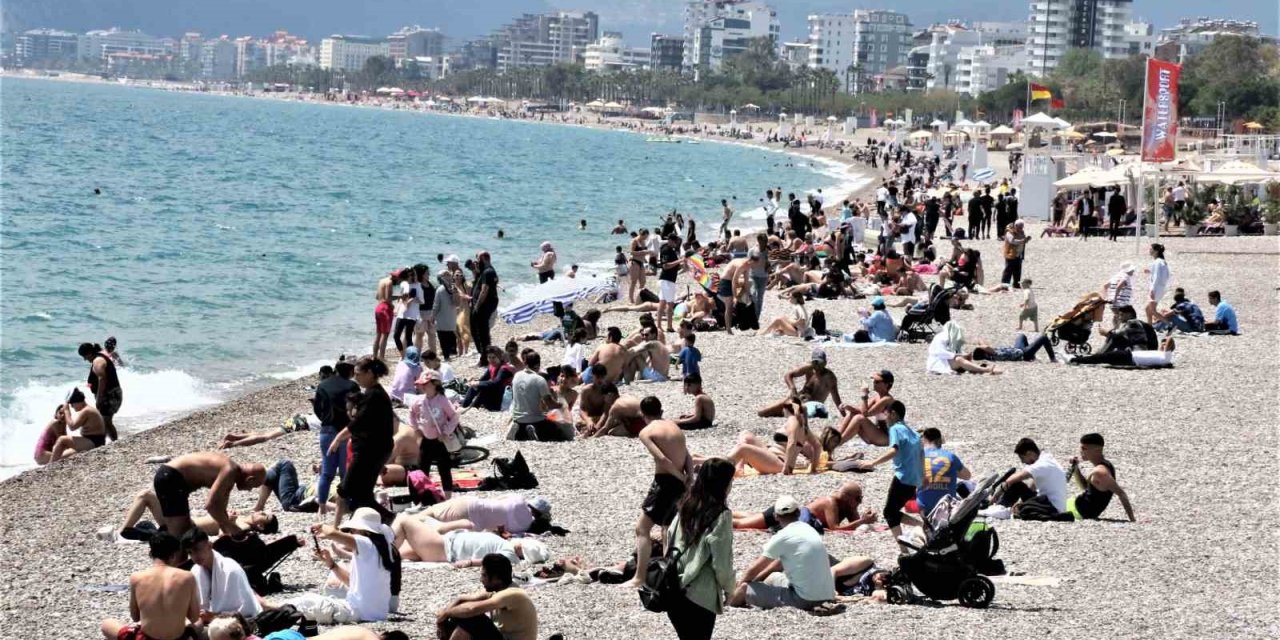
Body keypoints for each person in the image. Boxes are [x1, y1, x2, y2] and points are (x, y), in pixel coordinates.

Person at [664, 458, 735, 640]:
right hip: (700, 594)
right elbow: (722, 562)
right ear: (723, 484)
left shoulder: (685, 505)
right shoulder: (721, 515)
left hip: (673, 587)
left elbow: (669, 539)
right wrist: (730, 589)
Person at [727, 495, 836, 611]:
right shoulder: (810, 530)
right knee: (773, 577)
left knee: (744, 589)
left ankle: (728, 605)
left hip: (804, 600)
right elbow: (777, 565)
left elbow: (755, 568)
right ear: (798, 512)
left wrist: (740, 586)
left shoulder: (783, 536)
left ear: (775, 516)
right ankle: (759, 595)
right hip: (827, 595)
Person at [630, 396, 692, 588]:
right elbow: (687, 454)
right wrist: (688, 476)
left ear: (642, 413)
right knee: (668, 529)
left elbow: (662, 459)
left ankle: (639, 578)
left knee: (642, 529)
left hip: (666, 481)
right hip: (681, 479)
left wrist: (679, 477)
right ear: (661, 409)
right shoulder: (675, 426)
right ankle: (668, 575)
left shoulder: (646, 431)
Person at [330, 356, 395, 525]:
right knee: (363, 495)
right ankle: (387, 520)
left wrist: (337, 439)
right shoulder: (374, 393)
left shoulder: (375, 395)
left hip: (371, 451)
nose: (355, 377)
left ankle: (335, 528)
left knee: (344, 491)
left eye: (358, 374)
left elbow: (357, 423)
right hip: (376, 449)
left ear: (370, 373)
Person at [100, 533, 201, 640]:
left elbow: (135, 617)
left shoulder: (137, 577)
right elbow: (194, 617)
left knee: (107, 624)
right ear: (173, 555)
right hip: (179, 638)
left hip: (147, 638)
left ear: (151, 554)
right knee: (199, 624)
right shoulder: (187, 577)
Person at [845, 401, 922, 539]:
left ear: (893, 414)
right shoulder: (914, 433)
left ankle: (906, 545)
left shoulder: (895, 429)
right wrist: (922, 477)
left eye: (886, 415)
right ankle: (921, 526)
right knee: (892, 512)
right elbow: (921, 455)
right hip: (914, 479)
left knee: (889, 513)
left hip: (903, 478)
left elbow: (894, 450)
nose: (885, 419)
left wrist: (872, 462)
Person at [305, 508, 398, 622]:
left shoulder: (366, 544)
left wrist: (320, 525)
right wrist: (331, 564)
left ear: (366, 531)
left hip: (357, 612)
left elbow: (331, 533)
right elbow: (352, 583)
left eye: (353, 529)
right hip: (373, 613)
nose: (351, 532)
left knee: (304, 603)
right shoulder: (382, 548)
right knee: (306, 602)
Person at [150, 452, 266, 538]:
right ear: (250, 479)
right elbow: (210, 505)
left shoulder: (232, 473)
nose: (250, 490)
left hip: (173, 479)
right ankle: (173, 565)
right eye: (254, 486)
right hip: (171, 478)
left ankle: (176, 561)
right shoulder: (230, 471)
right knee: (180, 532)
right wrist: (232, 527)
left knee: (183, 529)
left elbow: (220, 506)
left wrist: (226, 530)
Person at [436, 553, 538, 640]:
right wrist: (443, 620)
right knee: (459, 613)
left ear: (496, 578)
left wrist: (446, 613)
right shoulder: (498, 590)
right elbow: (462, 599)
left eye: (484, 575)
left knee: (473, 617)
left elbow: (471, 609)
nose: (481, 580)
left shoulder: (513, 593)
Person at [312, 359, 359, 517]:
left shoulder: (323, 385)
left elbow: (317, 409)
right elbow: (358, 408)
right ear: (350, 371)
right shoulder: (352, 386)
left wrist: (326, 418)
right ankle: (346, 505)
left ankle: (322, 506)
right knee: (345, 472)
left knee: (327, 472)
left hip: (327, 430)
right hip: (346, 431)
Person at [981, 438, 1069, 521]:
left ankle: (999, 507)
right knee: (1019, 487)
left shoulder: (1042, 464)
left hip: (1050, 507)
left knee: (1015, 483)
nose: (1023, 462)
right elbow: (1033, 486)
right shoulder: (1048, 458)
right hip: (1054, 505)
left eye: (1022, 458)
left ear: (1030, 453)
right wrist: (1022, 501)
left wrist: (997, 495)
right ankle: (1000, 507)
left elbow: (1015, 478)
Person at [732, 482, 875, 533]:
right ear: (847, 497)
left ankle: (727, 512)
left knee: (751, 517)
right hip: (780, 516)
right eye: (858, 498)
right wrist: (863, 521)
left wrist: (859, 515)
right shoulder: (830, 503)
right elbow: (835, 529)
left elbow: (854, 524)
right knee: (738, 525)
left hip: (786, 513)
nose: (860, 501)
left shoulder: (846, 505)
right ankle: (716, 518)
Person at [183, 529, 262, 619]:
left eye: (197, 549)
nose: (194, 556)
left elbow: (247, 610)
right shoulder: (195, 571)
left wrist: (213, 616)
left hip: (241, 622)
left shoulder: (230, 569)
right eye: (190, 553)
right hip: (211, 620)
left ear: (209, 545)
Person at [409, 369, 460, 499]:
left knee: (444, 468)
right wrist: (416, 429)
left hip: (440, 440)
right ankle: (423, 498)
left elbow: (454, 416)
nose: (422, 386)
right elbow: (411, 413)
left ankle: (448, 497)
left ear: (435, 384)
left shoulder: (442, 400)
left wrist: (446, 432)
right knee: (422, 469)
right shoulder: (419, 400)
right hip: (425, 439)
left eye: (425, 384)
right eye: (422, 384)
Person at [756, 348, 846, 418]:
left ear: (825, 363)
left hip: (808, 407)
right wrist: (792, 389)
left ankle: (785, 410)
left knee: (763, 412)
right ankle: (784, 410)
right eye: (815, 362)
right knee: (763, 411)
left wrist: (844, 415)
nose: (818, 366)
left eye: (820, 363)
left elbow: (836, 398)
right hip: (797, 399)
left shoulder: (829, 377)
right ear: (812, 362)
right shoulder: (809, 369)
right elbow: (788, 375)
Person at [1067, 433, 1136, 522]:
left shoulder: (1101, 473)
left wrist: (1132, 520)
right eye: (1080, 448)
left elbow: (1121, 494)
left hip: (1077, 512)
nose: (1080, 451)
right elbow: (1084, 487)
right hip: (1077, 506)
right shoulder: (1106, 465)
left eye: (1084, 448)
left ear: (1097, 450)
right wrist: (1076, 469)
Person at [509, 351, 567, 442]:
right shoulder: (539, 380)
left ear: (525, 362)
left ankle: (519, 432)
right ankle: (533, 432)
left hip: (517, 419)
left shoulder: (517, 375)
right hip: (535, 420)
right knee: (558, 433)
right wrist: (561, 405)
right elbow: (550, 404)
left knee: (523, 428)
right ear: (537, 365)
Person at [421, 495, 553, 535]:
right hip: (471, 521)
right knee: (426, 530)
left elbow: (497, 499)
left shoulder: (518, 499)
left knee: (426, 514)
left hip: (469, 502)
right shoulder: (524, 525)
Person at [916, 428, 972, 517]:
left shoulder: (917, 456)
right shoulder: (950, 456)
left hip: (924, 507)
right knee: (963, 485)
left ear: (924, 440)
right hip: (947, 506)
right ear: (940, 440)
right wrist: (951, 471)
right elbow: (967, 476)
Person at [78, 341, 122, 442]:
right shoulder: (99, 356)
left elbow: (102, 378)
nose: (85, 359)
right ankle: (106, 442)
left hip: (109, 395)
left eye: (84, 356)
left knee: (106, 422)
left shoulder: (97, 361)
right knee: (104, 421)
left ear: (89, 353)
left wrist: (99, 398)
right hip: (112, 394)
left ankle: (115, 442)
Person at [50, 387, 107, 461]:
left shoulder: (86, 411)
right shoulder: (88, 409)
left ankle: (49, 466)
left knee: (62, 440)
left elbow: (72, 427)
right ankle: (51, 464)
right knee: (63, 456)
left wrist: (67, 411)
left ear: (78, 402)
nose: (72, 407)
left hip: (94, 442)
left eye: (72, 404)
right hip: (93, 441)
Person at [927, 321, 1002, 375]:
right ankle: (984, 370)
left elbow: (955, 350)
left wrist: (964, 354)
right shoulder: (940, 338)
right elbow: (940, 353)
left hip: (947, 360)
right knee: (959, 359)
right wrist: (958, 355)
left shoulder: (951, 339)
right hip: (938, 362)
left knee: (963, 358)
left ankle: (974, 368)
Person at [1070, 333, 1176, 367]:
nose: (1162, 345)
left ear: (1169, 347)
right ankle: (1080, 360)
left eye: (1164, 344)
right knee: (1102, 358)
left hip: (1129, 358)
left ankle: (1077, 360)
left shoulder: (1166, 357)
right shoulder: (1162, 355)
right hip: (1129, 356)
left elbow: (1170, 339)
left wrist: (1168, 336)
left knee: (1103, 357)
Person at [469, 252, 500, 368]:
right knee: (478, 332)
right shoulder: (486, 271)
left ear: (483, 258)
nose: (476, 261)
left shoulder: (488, 271)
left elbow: (484, 290)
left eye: (478, 259)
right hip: (483, 305)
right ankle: (484, 356)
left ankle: (484, 358)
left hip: (483, 306)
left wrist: (477, 306)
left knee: (482, 333)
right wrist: (474, 268)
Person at [461, 347, 515, 411]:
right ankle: (464, 406)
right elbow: (484, 379)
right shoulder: (492, 366)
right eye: (489, 357)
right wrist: (475, 383)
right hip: (496, 393)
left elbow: (496, 383)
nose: (491, 360)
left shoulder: (504, 369)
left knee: (484, 388)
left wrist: (478, 383)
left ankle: (472, 407)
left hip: (504, 397)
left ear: (500, 357)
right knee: (475, 386)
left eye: (494, 357)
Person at [970, 333, 1057, 363]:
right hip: (1024, 354)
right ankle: (1053, 359)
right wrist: (979, 345)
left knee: (1021, 336)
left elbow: (984, 344)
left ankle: (1033, 357)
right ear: (985, 352)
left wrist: (978, 340)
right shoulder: (993, 355)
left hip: (1017, 349)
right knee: (1044, 338)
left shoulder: (989, 353)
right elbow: (986, 346)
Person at [393, 269, 422, 357]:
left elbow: (421, 300)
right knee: (396, 336)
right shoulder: (404, 284)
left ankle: (412, 357)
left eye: (411, 275)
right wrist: (396, 309)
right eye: (408, 275)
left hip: (412, 315)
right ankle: (403, 356)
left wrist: (414, 299)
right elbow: (400, 299)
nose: (410, 277)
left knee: (408, 337)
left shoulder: (417, 286)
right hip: (401, 314)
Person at [657, 234, 682, 332]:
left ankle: (659, 325)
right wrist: (679, 261)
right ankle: (669, 326)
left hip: (668, 280)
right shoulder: (666, 250)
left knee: (662, 303)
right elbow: (665, 266)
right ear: (671, 240)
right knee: (670, 304)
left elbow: (675, 266)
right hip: (667, 280)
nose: (676, 244)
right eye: (676, 242)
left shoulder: (672, 251)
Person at [433, 272, 460, 360]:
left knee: (442, 337)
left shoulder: (440, 289)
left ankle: (446, 356)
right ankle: (449, 353)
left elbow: (436, 305)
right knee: (449, 336)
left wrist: (432, 315)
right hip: (451, 317)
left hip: (442, 317)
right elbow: (457, 303)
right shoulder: (454, 288)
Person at [373, 271, 398, 363]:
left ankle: (375, 356)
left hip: (378, 307)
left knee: (378, 333)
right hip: (385, 309)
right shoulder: (390, 282)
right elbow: (388, 298)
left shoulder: (381, 281)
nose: (398, 283)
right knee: (385, 334)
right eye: (398, 280)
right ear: (395, 278)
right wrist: (399, 298)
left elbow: (377, 296)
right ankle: (381, 357)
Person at [1144, 243, 1170, 324]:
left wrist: (1152, 289)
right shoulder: (1161, 261)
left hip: (1156, 288)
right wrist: (1150, 271)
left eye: (1151, 249)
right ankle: (1149, 327)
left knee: (1152, 310)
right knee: (1148, 309)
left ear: (1156, 251)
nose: (1149, 250)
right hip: (1160, 288)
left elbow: (1157, 276)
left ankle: (1170, 325)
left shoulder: (1158, 262)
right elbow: (1163, 274)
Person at [1001, 220, 1029, 287]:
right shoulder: (1009, 232)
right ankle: (1004, 284)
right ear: (1016, 226)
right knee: (1008, 270)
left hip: (1018, 254)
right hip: (1010, 254)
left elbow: (1022, 240)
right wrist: (1022, 241)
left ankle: (1016, 283)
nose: (1021, 229)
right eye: (1020, 227)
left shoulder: (1021, 232)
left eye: (1022, 227)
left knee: (1017, 270)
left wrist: (1026, 240)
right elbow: (1012, 241)